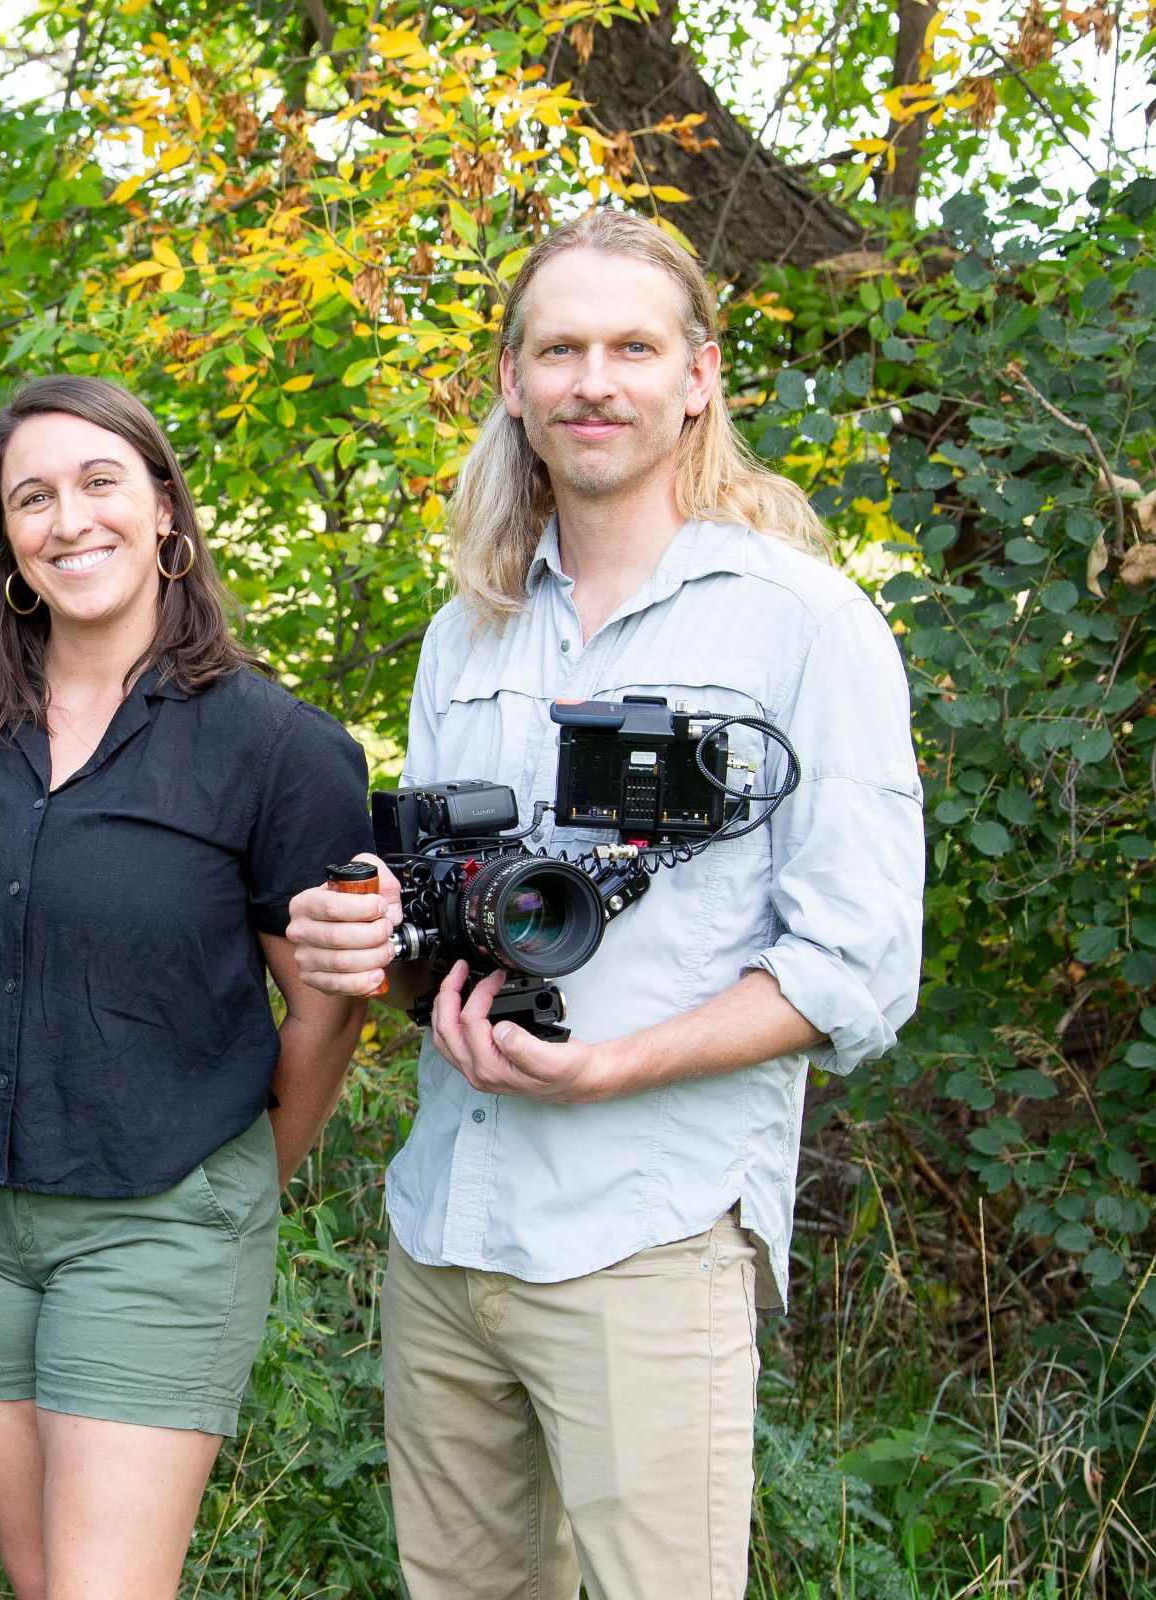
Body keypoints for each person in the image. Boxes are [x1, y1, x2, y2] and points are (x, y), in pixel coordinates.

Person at [285, 209, 925, 1599]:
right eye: (559, 347)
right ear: (512, 381)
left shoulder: (804, 626)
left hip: (647, 1230)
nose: (594, 380)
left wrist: (619, 1064)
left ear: (699, 375)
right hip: (448, 1227)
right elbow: (460, 919)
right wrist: (375, 941)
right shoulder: (474, 624)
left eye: (632, 346)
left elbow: (859, 972)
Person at [0, 374, 371, 1600]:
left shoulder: (278, 748)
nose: (68, 518)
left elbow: (327, 1010)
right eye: (32, 497)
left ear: (164, 513)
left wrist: (233, 1189)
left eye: (99, 482)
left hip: (159, 1217)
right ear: (6, 542)